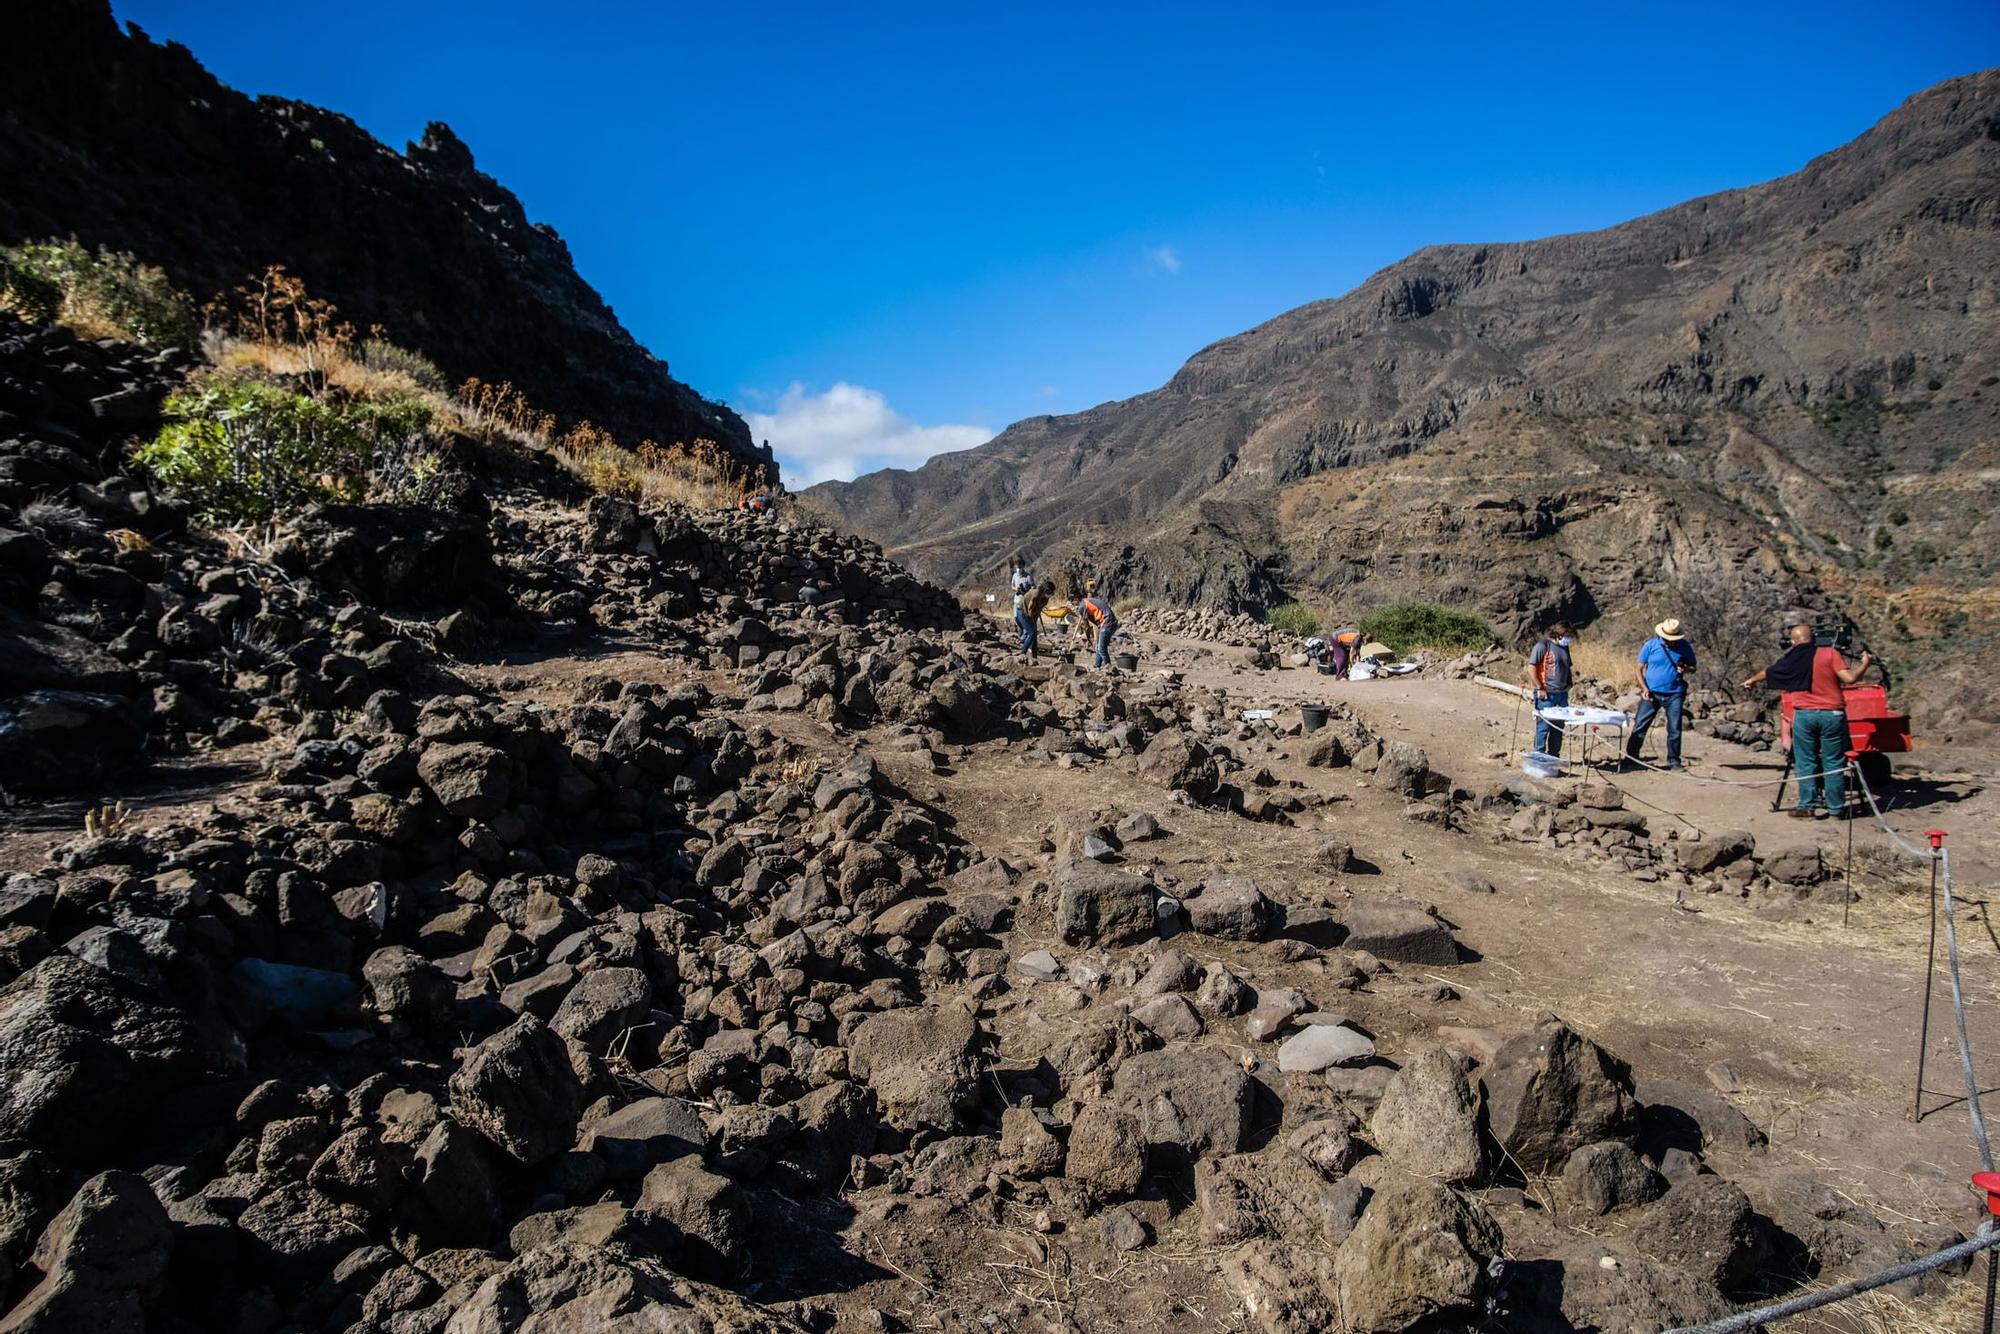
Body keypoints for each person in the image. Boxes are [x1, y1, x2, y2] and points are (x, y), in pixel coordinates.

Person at [1742, 620, 1874, 819]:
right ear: (1813, 638)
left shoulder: (1792, 658)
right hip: (1832, 714)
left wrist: (1752, 680)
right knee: (1833, 762)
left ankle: (1807, 805)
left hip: (1804, 715)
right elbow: (1849, 679)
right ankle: (1836, 809)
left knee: (1805, 761)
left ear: (1794, 641)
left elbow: (1769, 672)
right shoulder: (1830, 653)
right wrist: (1864, 664)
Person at [1624, 619, 1697, 771]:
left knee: (1674, 728)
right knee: (1640, 725)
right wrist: (1644, 688)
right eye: (1665, 638)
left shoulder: (1684, 647)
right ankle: (1630, 757)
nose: (1667, 642)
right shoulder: (1650, 645)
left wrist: (1686, 670)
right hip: (1651, 693)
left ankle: (1674, 760)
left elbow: (1693, 667)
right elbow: (1639, 669)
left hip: (1674, 693)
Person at [1525, 621, 1574, 756]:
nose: (1569, 639)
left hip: (1562, 694)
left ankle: (1554, 756)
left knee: (1558, 728)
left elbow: (1567, 667)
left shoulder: (1565, 648)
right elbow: (1531, 668)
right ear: (1559, 634)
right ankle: (1539, 755)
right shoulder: (1543, 646)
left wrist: (1569, 683)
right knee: (1543, 727)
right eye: (1567, 635)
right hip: (1546, 694)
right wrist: (1539, 687)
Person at [1076, 593, 1118, 668]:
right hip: (1110, 622)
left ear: (1075, 600)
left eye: (1072, 602)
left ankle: (1110, 668)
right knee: (1099, 647)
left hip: (1107, 622)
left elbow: (1086, 627)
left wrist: (1088, 639)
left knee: (1101, 649)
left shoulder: (1082, 606)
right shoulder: (1086, 602)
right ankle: (1097, 665)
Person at [1019, 579, 1053, 659]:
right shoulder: (1036, 593)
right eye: (1051, 592)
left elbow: (1038, 611)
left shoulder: (1045, 599)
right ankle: (1023, 652)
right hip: (1022, 612)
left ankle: (1034, 656)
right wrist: (1032, 621)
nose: (1051, 595)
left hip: (1030, 614)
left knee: (1034, 634)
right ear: (1046, 590)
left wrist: (1035, 622)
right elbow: (1030, 609)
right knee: (1031, 633)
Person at [1009, 556, 1035, 651]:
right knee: (1016, 618)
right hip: (1016, 600)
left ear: (1023, 566)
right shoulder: (1015, 575)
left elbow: (1033, 587)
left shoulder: (1028, 576)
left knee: (1024, 621)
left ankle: (1024, 638)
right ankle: (1023, 636)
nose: (1018, 568)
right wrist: (1016, 589)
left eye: (1019, 566)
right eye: (1017, 566)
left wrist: (1026, 590)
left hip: (1024, 602)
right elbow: (1012, 586)